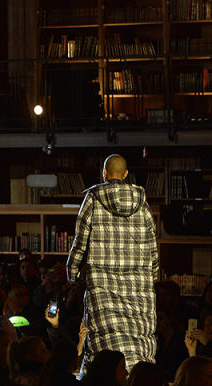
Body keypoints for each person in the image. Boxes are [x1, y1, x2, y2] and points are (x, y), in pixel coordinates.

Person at [67, 154, 158, 368]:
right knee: (139, 340)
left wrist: (72, 273)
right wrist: (152, 276)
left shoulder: (93, 198)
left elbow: (80, 241)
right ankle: (138, 384)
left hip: (102, 287)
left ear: (104, 173)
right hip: (139, 288)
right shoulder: (142, 203)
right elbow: (152, 245)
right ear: (126, 175)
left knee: (104, 348)